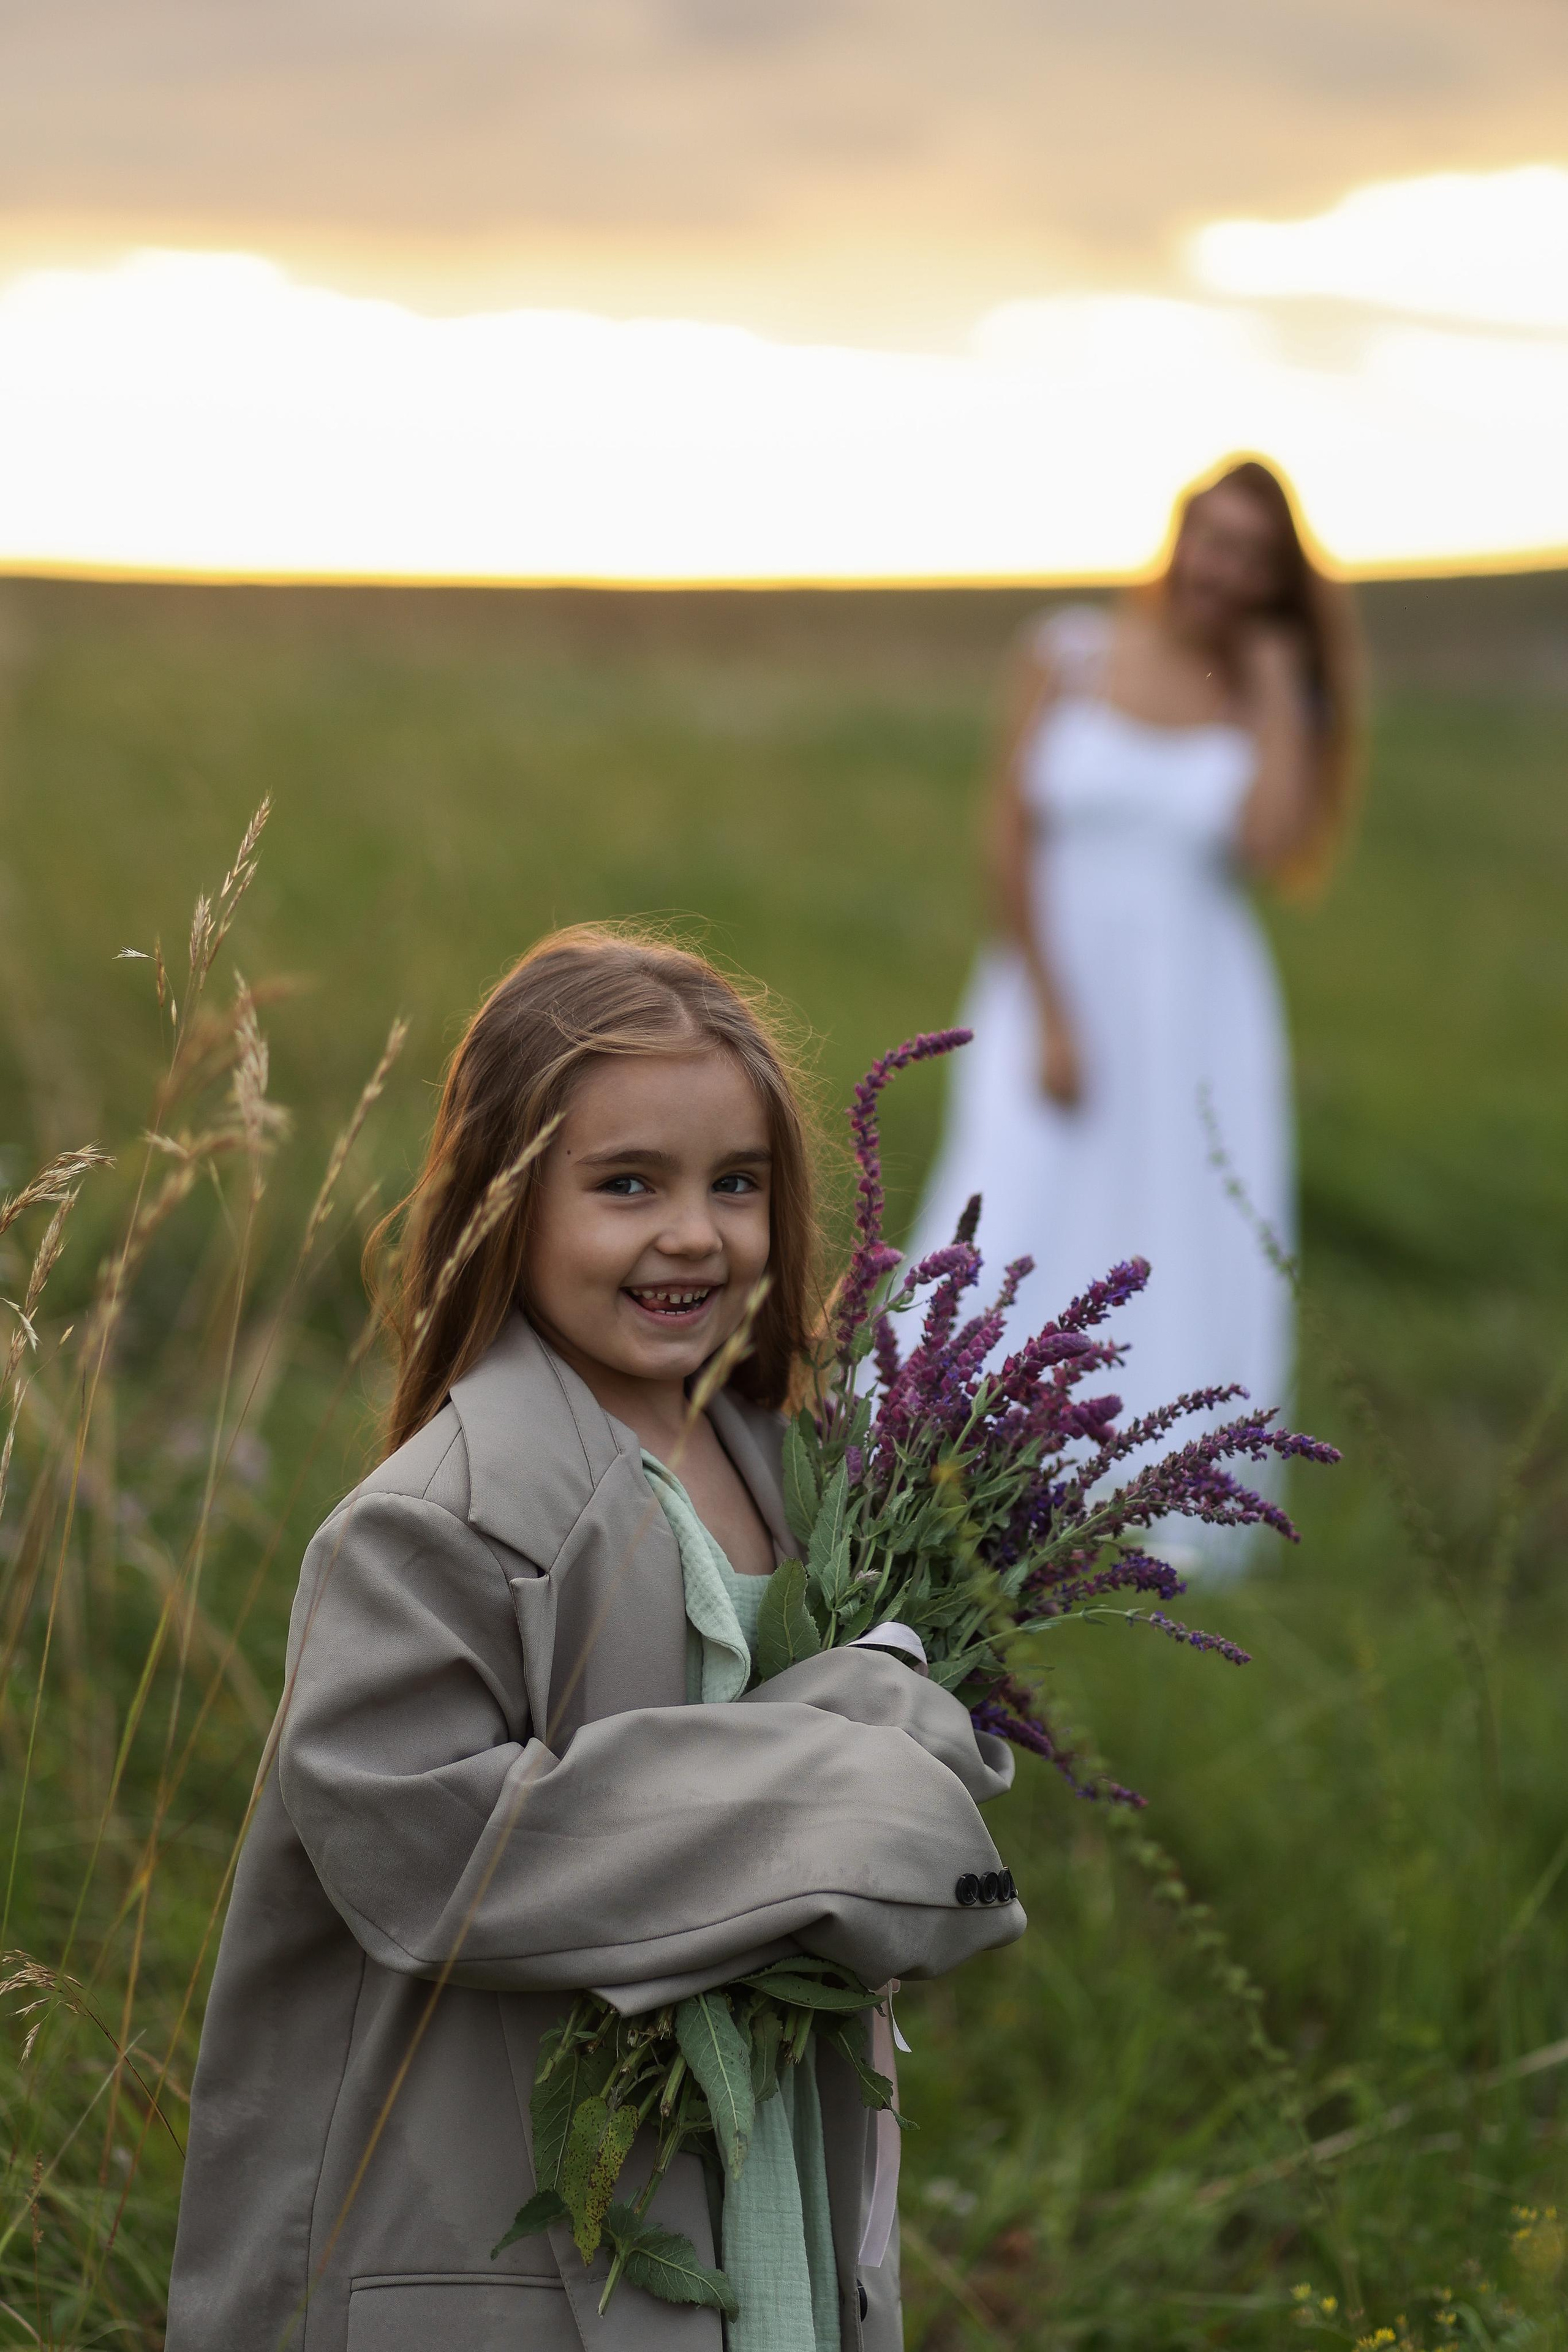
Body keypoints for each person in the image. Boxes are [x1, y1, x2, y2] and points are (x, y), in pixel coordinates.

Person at [165, 927, 1022, 2352]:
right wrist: (823, 1801)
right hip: (503, 2191)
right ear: (504, 1206)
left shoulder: (792, 1472)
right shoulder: (436, 1520)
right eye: (627, 1185)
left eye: (733, 1185)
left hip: (755, 2152)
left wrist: (901, 1737)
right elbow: (414, 1838)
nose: (691, 1233)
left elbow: (899, 1707)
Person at [913, 458, 1361, 1572]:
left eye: (1254, 556)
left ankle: (1153, 1500)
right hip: (1050, 989)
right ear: (1180, 535)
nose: (1225, 568)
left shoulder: (1260, 691)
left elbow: (1269, 846)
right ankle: (941, 1462)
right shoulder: (1064, 654)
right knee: (1014, 1196)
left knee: (1174, 1230)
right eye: (1214, 539)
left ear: (1276, 578)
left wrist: (1272, 686)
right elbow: (1007, 833)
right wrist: (1054, 1011)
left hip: (1196, 1016)